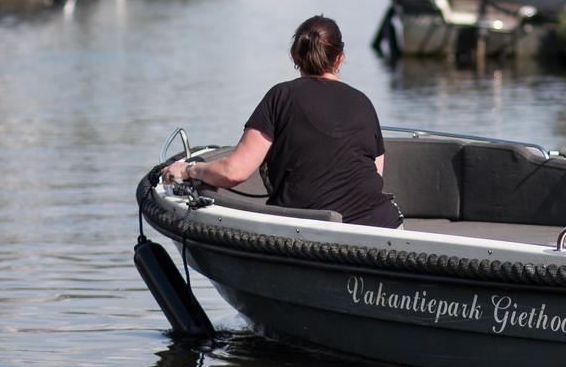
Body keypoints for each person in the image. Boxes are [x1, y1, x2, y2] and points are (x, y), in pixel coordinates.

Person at [162, 15, 401, 228]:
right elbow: (375, 174)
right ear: (339, 58)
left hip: (308, 232)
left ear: (294, 55)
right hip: (383, 227)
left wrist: (190, 169)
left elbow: (234, 171)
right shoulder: (364, 103)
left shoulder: (281, 97)